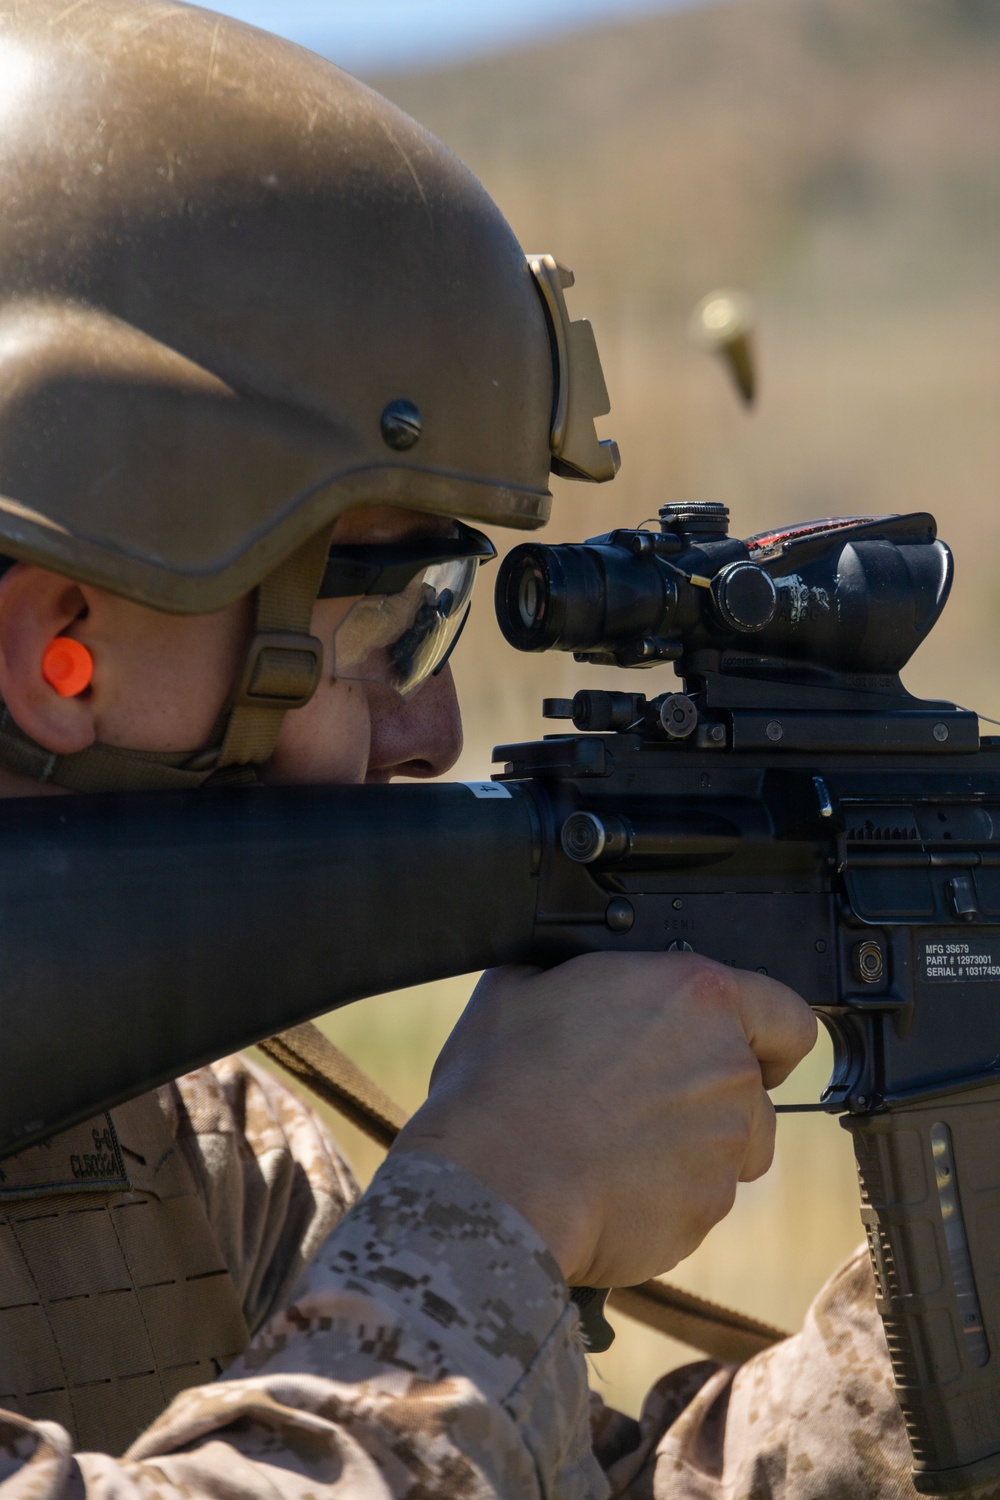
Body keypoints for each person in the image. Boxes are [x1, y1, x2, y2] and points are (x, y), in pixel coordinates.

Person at [0, 3, 912, 1498]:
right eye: (380, 626)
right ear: (65, 642)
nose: (432, 735)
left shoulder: (189, 1138)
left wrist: (916, 1345)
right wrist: (503, 1195)